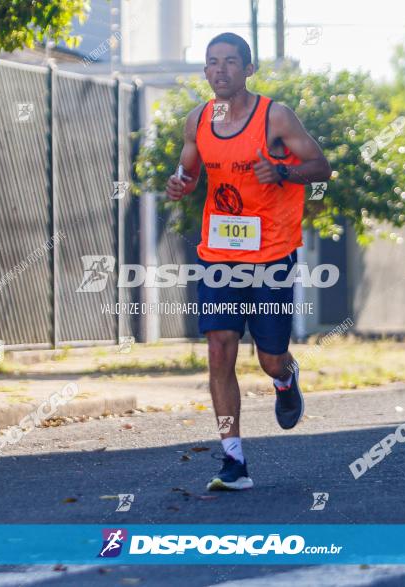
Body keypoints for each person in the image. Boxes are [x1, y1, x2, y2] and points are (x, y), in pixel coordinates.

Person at [165, 32, 331, 491]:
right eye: (213, 63)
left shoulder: (274, 116)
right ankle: (233, 461)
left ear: (248, 70)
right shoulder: (199, 119)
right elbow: (190, 169)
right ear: (205, 72)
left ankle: (285, 377)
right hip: (219, 254)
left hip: (273, 253)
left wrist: (282, 171)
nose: (220, 71)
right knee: (219, 348)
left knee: (269, 358)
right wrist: (180, 183)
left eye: (231, 62)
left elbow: (320, 167)